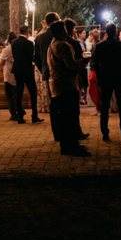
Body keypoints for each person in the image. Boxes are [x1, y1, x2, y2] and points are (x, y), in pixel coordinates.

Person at [46, 21, 88, 156]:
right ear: (62, 31)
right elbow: (71, 65)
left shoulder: (52, 45)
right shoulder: (63, 45)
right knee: (70, 116)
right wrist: (83, 62)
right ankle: (72, 145)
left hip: (57, 85)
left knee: (64, 117)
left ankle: (67, 144)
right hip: (67, 85)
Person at [91, 20, 121, 141]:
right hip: (119, 78)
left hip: (106, 77)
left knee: (105, 106)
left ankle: (105, 133)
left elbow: (95, 64)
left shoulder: (100, 46)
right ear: (116, 31)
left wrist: (100, 76)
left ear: (106, 32)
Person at [11, 25, 41, 124]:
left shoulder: (13, 42)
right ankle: (34, 115)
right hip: (27, 70)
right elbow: (31, 57)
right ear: (27, 32)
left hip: (17, 69)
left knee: (19, 93)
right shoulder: (29, 43)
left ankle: (20, 116)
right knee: (32, 92)